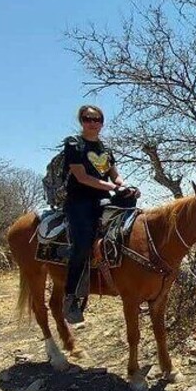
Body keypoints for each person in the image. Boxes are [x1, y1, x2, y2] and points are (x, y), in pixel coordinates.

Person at [62, 105, 140, 324]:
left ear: (102, 122)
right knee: (83, 242)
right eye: (88, 119)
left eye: (97, 119)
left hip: (102, 198)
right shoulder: (74, 144)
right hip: (79, 201)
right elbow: (82, 177)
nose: (93, 123)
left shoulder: (105, 148)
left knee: (130, 218)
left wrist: (124, 186)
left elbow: (115, 175)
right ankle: (72, 296)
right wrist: (111, 187)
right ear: (81, 121)